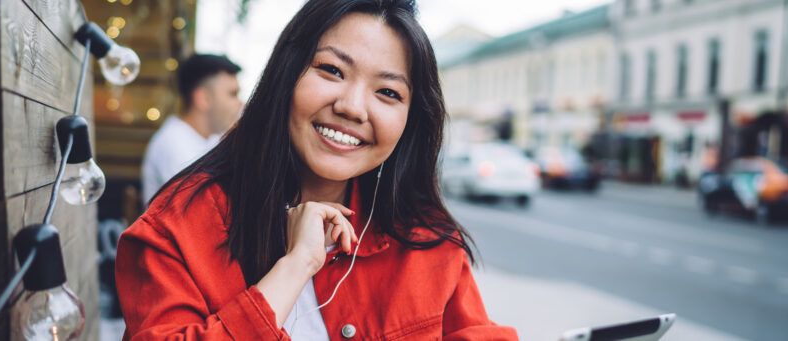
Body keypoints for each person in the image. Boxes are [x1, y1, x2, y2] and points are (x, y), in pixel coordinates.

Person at [116, 0, 518, 339]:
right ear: (285, 76)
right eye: (332, 70)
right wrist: (295, 267)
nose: (353, 107)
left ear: (410, 122)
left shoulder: (425, 240)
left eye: (388, 92)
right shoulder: (180, 225)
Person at [140, 54, 242, 204]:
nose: (240, 104)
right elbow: (204, 208)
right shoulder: (173, 144)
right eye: (232, 94)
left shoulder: (212, 139)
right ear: (203, 99)